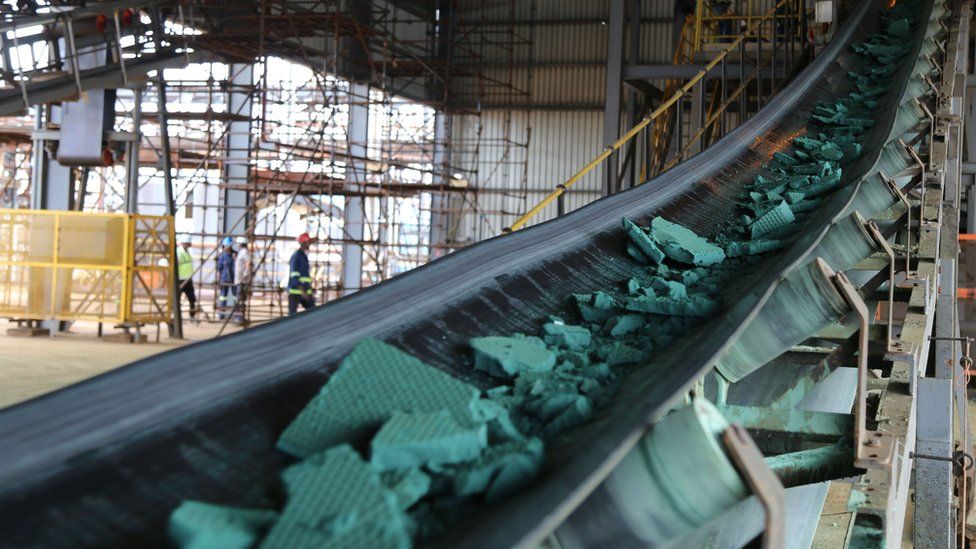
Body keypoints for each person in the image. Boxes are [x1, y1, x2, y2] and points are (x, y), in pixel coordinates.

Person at [287, 232, 315, 315]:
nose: (309, 244)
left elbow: (305, 276)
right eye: (308, 242)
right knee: (292, 317)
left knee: (314, 313)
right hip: (297, 292)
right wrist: (303, 292)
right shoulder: (296, 256)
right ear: (304, 242)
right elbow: (294, 276)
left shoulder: (303, 256)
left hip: (305, 291)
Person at [176, 234, 197, 320]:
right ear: (185, 243)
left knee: (192, 299)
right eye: (188, 243)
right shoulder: (179, 252)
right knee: (177, 300)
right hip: (180, 280)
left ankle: (192, 316)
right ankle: (177, 317)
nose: (189, 245)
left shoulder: (187, 252)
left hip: (188, 280)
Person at [216, 236, 236, 318]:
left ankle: (237, 315)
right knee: (223, 297)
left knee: (236, 297)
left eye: (228, 246)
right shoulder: (222, 256)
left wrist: (235, 259)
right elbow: (219, 269)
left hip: (234, 279)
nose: (227, 247)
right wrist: (218, 280)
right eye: (225, 246)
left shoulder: (235, 254)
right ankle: (222, 314)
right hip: (224, 279)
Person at [234, 236, 252, 321]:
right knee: (240, 299)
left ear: (241, 244)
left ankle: (240, 317)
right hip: (240, 280)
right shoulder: (242, 252)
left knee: (240, 299)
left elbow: (249, 264)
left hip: (242, 280)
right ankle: (239, 316)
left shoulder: (244, 253)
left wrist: (244, 275)